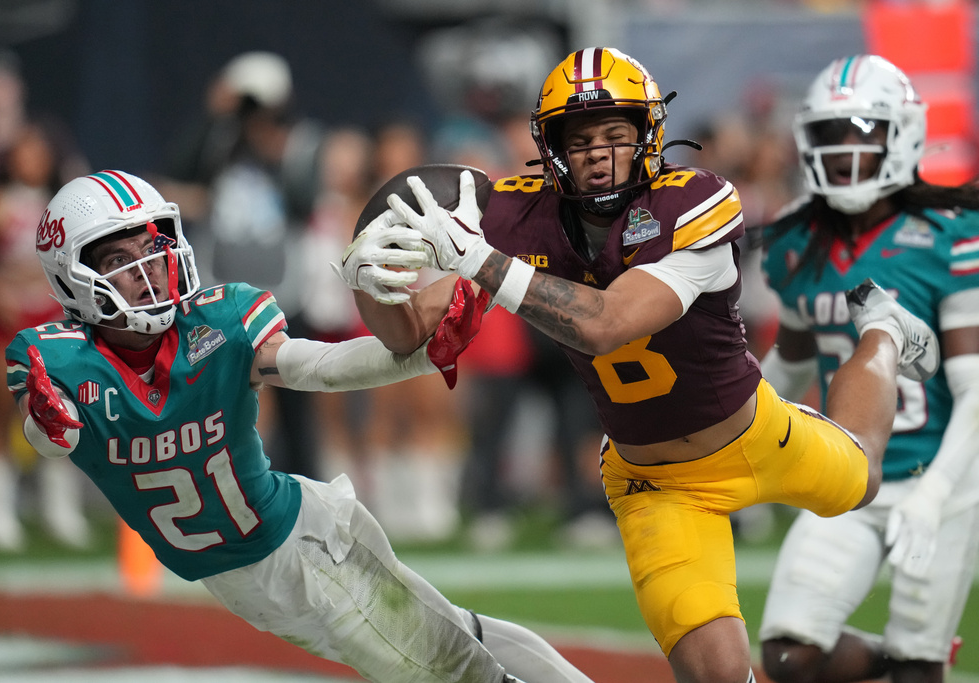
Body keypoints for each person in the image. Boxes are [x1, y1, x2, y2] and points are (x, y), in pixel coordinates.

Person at [336, 47, 942, 683]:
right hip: (654, 482)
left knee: (863, 477)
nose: (597, 151)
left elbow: (606, 324)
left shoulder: (695, 200)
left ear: (647, 135)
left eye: (615, 135)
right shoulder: (518, 216)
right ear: (552, 147)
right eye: (581, 138)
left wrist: (477, 258)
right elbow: (408, 334)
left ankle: (882, 331)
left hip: (754, 434)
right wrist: (374, 283)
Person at [7, 169, 595, 683]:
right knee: (464, 634)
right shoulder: (54, 359)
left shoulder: (220, 320)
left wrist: (421, 353)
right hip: (258, 569)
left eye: (150, 249)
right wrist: (43, 428)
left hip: (301, 553)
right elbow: (54, 439)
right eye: (118, 260)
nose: (147, 271)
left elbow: (318, 366)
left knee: (456, 673)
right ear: (71, 277)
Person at [755, 54, 979, 683]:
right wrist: (729, 439)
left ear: (902, 135)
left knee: (918, 668)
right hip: (849, 473)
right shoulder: (798, 242)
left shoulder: (949, 234)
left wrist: (936, 495)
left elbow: (975, 387)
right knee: (790, 656)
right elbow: (791, 363)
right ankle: (892, 660)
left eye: (861, 132)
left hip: (942, 472)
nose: (844, 151)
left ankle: (918, 660)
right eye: (830, 136)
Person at [0, 125, 90, 551]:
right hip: (8, 320)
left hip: (54, 319)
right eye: (23, 152)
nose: (30, 160)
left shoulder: (64, 206)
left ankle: (60, 508)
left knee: (64, 410)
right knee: (1, 410)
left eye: (38, 152)